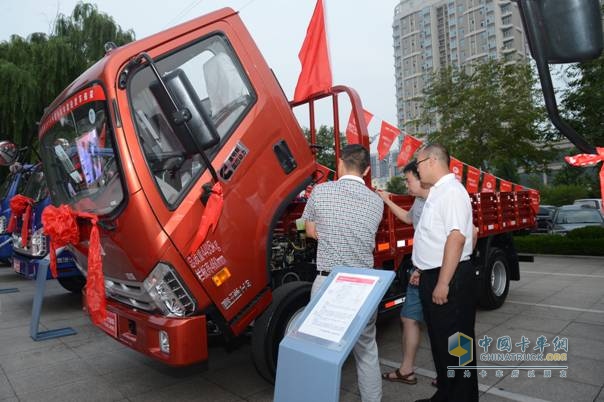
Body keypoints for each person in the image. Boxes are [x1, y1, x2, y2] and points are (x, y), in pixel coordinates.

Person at [302, 144, 384, 402]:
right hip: (364, 286)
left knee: (322, 353)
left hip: (329, 283)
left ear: (339, 163)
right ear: (367, 170)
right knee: (367, 350)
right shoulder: (376, 202)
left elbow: (309, 230)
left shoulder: (321, 192)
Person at [412, 144, 478, 402]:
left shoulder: (451, 192)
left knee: (457, 344)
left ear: (431, 161)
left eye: (418, 165)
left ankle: (461, 397)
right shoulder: (437, 193)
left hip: (450, 277)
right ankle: (447, 394)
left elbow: (456, 238)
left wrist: (442, 283)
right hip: (435, 274)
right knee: (441, 342)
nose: (417, 171)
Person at [377, 160, 432, 386]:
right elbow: (409, 219)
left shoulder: (440, 203)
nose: (406, 186)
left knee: (444, 326)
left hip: (432, 273)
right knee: (408, 318)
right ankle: (406, 370)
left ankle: (453, 376)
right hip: (419, 272)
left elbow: (449, 241)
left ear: (422, 178)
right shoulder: (419, 201)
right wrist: (387, 200)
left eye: (409, 180)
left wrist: (421, 268)